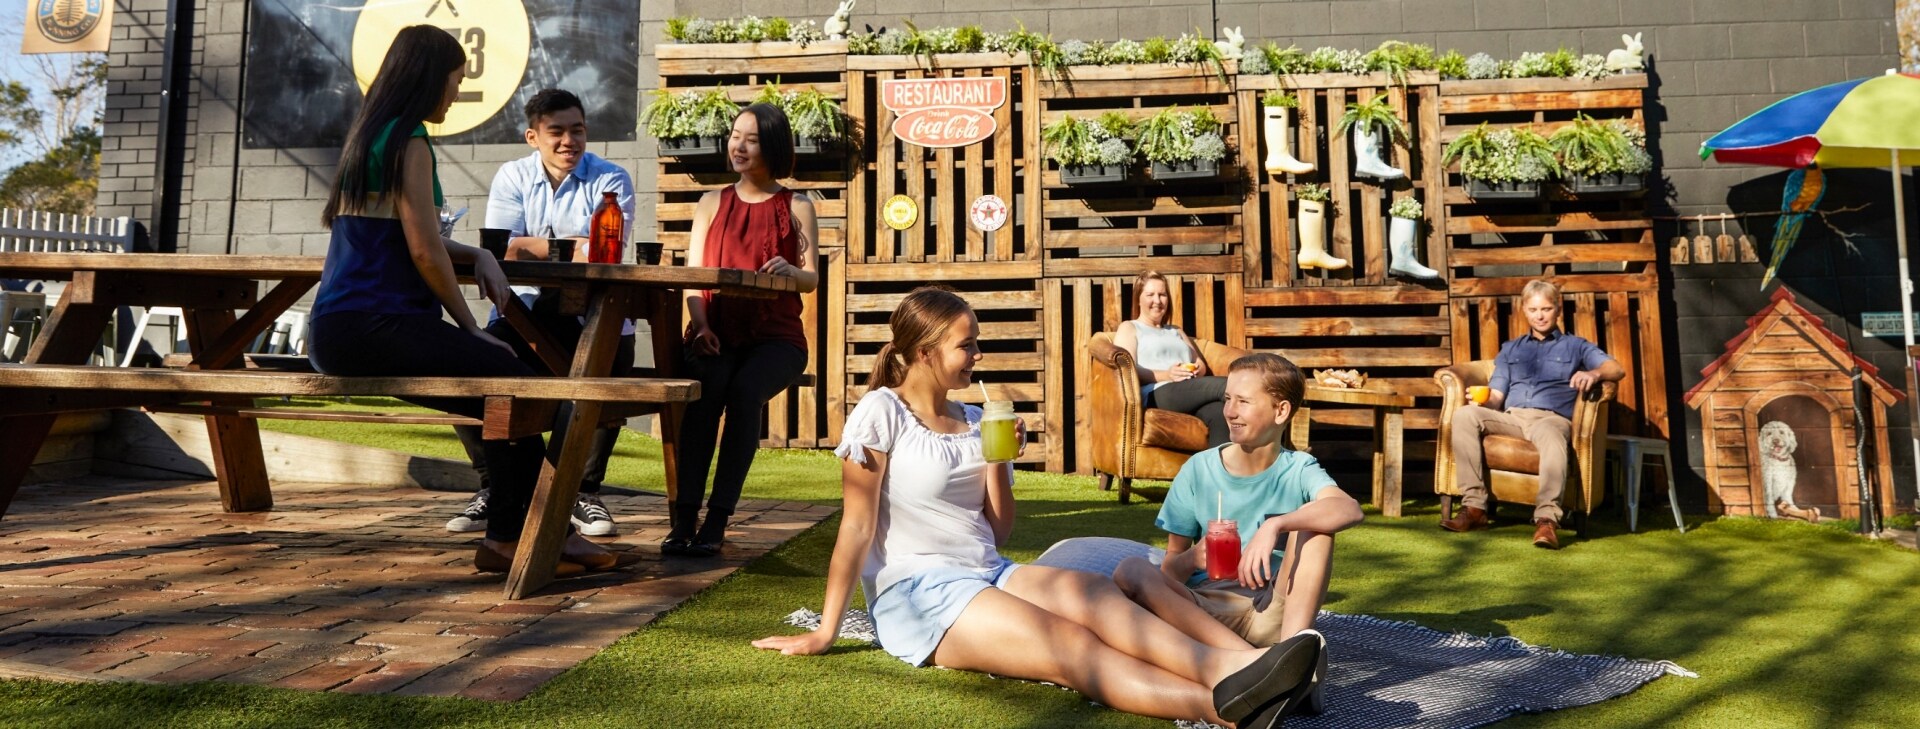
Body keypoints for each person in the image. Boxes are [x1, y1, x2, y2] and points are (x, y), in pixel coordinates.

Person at [753, 288, 1324, 729]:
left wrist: (998, 460)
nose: (977, 354)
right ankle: (1226, 707)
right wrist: (826, 629)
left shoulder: (977, 419)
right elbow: (856, 528)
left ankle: (1239, 668)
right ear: (925, 352)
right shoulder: (881, 412)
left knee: (1097, 596)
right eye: (966, 345)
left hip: (988, 571)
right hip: (918, 592)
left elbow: (998, 532)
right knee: (1070, 646)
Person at [307, 25, 613, 576]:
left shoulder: (370, 136)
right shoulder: (410, 142)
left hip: (338, 329)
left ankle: (525, 535)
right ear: (429, 79)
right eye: (455, 80)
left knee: (502, 392)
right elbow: (425, 253)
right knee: (513, 382)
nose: (455, 93)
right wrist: (469, 326)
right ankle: (522, 537)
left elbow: (412, 236)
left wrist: (477, 254)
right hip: (377, 325)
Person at [445, 88, 636, 538]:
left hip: (592, 315)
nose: (569, 141)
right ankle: (494, 486)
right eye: (557, 132)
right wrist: (569, 245)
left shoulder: (611, 178)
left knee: (601, 364)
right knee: (463, 366)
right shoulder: (512, 175)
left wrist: (537, 245)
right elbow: (502, 248)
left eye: (578, 130)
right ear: (533, 137)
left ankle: (582, 492)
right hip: (520, 311)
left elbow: (604, 251)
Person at [1112, 353, 1362, 677]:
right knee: (1131, 570)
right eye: (1228, 399)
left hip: (1272, 609)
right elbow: (1169, 571)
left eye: (1243, 401)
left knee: (1316, 526)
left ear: (1281, 411)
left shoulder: (1299, 468)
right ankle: (1271, 668)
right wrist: (1192, 559)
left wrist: (1277, 524)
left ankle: (1290, 652)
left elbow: (1348, 508)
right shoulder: (1199, 470)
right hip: (1203, 611)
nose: (1229, 411)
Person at [666, 103, 817, 557]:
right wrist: (701, 326)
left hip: (778, 340)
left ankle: (717, 519)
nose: (739, 146)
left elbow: (810, 279)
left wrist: (791, 269)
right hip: (716, 331)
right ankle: (683, 518)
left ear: (773, 147)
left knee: (744, 392)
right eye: (735, 136)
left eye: (751, 139)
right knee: (706, 393)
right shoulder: (711, 202)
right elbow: (694, 275)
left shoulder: (797, 205)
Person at [1438, 279, 1624, 549]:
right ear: (1524, 310)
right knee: (1465, 415)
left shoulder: (1576, 346)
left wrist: (1594, 374)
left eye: (1546, 309)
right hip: (1512, 417)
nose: (1540, 316)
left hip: (1551, 418)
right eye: (1534, 310)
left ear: (1557, 310)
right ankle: (1475, 508)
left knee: (1551, 435)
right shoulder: (1511, 349)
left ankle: (1547, 520)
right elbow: (1498, 395)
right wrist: (1482, 401)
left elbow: (1616, 369)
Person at [1111, 271, 1229, 447]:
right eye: (1150, 295)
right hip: (1158, 393)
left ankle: (1221, 464)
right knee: (1227, 385)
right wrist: (1167, 375)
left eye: (1162, 295)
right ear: (1138, 299)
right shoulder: (1130, 328)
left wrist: (1195, 370)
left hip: (1190, 389)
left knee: (1219, 413)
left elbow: (1200, 363)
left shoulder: (1176, 330)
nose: (1157, 300)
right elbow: (1127, 369)